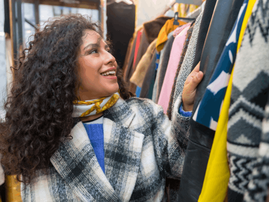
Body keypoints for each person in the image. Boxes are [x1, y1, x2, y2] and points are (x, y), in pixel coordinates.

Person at [0, 14, 203, 201]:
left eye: (107, 49)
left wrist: (187, 106)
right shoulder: (40, 135)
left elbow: (185, 167)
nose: (111, 58)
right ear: (64, 66)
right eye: (94, 51)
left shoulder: (145, 115)